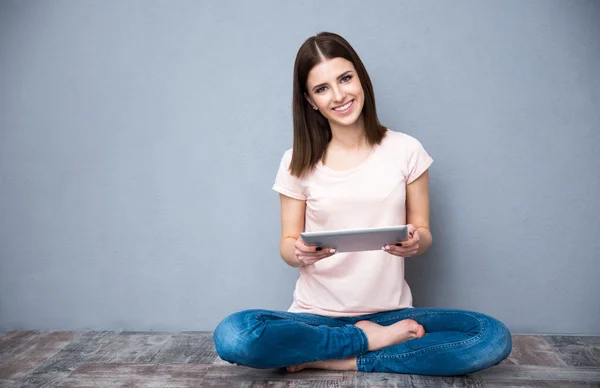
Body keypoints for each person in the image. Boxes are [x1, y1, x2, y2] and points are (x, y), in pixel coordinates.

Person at [213, 32, 512, 376]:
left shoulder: (405, 150)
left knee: (491, 336)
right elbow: (286, 245)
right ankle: (364, 341)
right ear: (310, 100)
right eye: (322, 88)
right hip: (314, 317)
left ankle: (336, 358)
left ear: (361, 79)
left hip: (390, 314)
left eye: (345, 78)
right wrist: (299, 252)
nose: (339, 95)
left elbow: (425, 234)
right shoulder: (296, 160)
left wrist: (415, 242)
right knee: (233, 335)